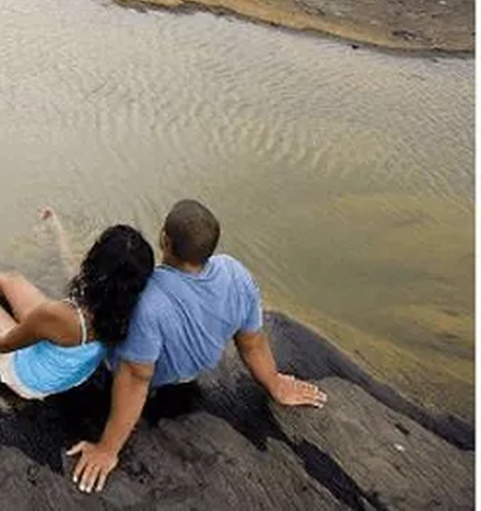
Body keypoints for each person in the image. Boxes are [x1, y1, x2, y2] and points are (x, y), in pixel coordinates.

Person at [67, 199, 328, 494]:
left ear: (163, 240)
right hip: (191, 373)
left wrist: (107, 448)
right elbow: (252, 342)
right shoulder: (235, 272)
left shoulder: (149, 299)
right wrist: (275, 383)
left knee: (85, 292)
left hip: (153, 378)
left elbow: (136, 378)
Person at [0, 208, 154, 401]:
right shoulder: (126, 305)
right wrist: (57, 229)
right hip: (67, 366)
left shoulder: (61, 315)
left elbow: (6, 344)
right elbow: (71, 266)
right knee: (12, 279)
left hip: (27, 378)